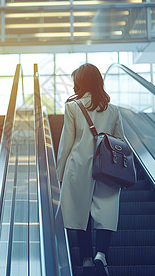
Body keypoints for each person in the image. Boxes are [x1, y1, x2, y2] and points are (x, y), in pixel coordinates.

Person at [56, 63, 123, 275]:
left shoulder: (72, 106)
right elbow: (120, 141)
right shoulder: (112, 109)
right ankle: (101, 254)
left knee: (79, 210)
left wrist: (59, 173)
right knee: (106, 209)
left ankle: (85, 257)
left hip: (79, 165)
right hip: (107, 167)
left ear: (80, 83)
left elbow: (67, 143)